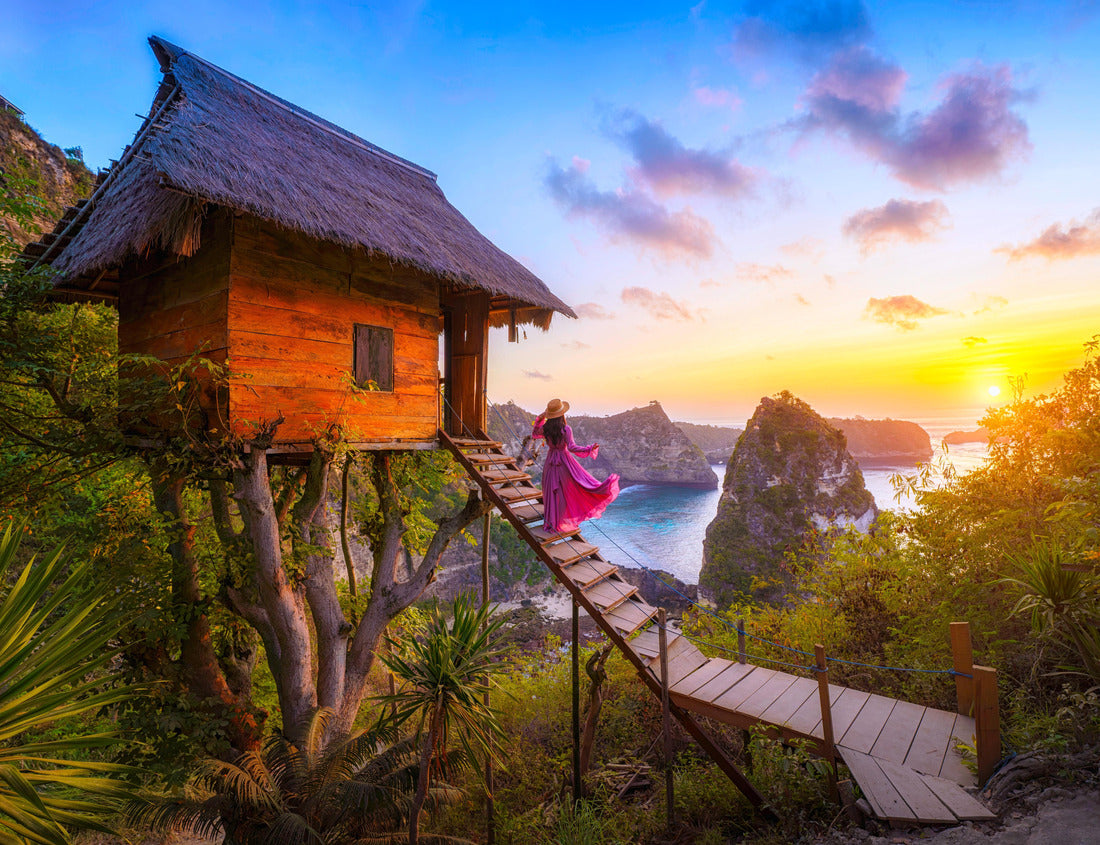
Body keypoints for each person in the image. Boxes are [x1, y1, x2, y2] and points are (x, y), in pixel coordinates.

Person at [532, 398, 620, 532]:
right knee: (573, 487)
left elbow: (535, 431)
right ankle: (561, 521)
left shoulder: (546, 428)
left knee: (551, 490)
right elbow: (572, 447)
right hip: (564, 462)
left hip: (550, 463)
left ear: (550, 415)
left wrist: (542, 416)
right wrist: (589, 449)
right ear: (562, 414)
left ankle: (552, 521)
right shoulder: (566, 429)